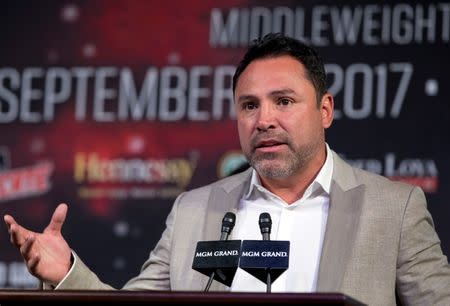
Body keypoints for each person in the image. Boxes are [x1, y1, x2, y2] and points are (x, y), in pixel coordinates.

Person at [4, 33, 450, 305]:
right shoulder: (195, 211)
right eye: (249, 105)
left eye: (285, 101)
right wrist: (65, 273)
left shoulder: (394, 209)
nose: (264, 119)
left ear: (326, 110)